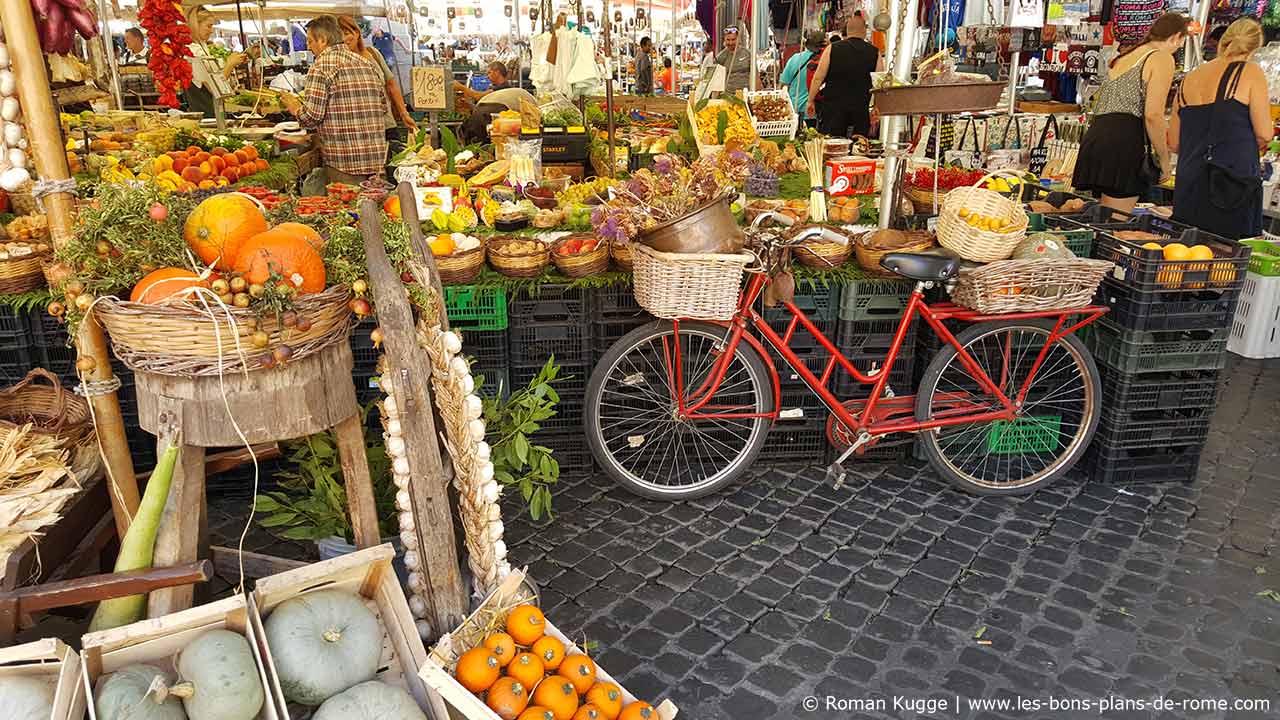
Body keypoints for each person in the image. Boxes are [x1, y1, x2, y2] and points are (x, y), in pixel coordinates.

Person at [1072, 13, 1188, 215]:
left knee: (1105, 217)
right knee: (1116, 223)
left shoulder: (1126, 57)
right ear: (1176, 37)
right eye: (1181, 43)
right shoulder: (1161, 58)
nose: (1178, 48)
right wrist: (1164, 159)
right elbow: (1153, 115)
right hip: (1125, 142)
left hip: (1098, 136)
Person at [1170, 18, 1274, 238]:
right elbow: (1265, 132)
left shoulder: (1189, 78)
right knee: (1226, 262)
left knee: (1184, 257)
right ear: (1255, 47)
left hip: (1189, 182)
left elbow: (1174, 142)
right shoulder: (1250, 72)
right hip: (1231, 186)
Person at [280, 15, 389, 187]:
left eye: (310, 41)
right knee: (374, 210)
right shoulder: (365, 63)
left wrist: (294, 107)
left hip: (344, 162)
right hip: (376, 160)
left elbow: (311, 117)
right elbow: (383, 107)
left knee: (349, 210)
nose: (308, 47)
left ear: (322, 40)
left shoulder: (321, 66)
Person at [337, 14, 418, 148]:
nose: (344, 39)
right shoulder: (340, 61)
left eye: (347, 33)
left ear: (356, 32)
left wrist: (404, 114)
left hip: (386, 123)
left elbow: (391, 84)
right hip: (360, 130)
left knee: (394, 160)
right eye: (340, 36)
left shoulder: (373, 53)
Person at [807, 14, 881, 138]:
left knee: (832, 148)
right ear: (864, 31)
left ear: (847, 31)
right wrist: (877, 106)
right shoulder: (874, 52)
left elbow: (818, 77)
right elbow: (879, 83)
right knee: (859, 148)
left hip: (833, 110)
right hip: (860, 109)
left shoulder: (832, 49)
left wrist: (810, 100)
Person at [184, 6, 250, 117]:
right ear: (195, 25)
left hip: (214, 110)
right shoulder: (191, 51)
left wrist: (233, 62)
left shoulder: (202, 46)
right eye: (208, 26)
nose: (211, 31)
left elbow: (216, 76)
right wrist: (230, 64)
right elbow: (214, 87)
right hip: (206, 112)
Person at [781, 30, 824, 127]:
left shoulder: (795, 59)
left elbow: (783, 85)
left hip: (793, 109)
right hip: (812, 111)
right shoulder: (823, 61)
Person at [716, 24, 751, 93]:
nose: (730, 42)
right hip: (728, 96)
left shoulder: (747, 54)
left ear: (738, 38)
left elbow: (756, 76)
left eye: (733, 39)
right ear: (724, 40)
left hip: (745, 94)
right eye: (728, 40)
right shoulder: (720, 57)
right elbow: (717, 80)